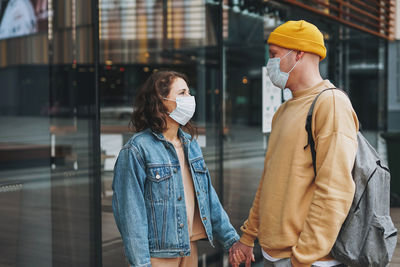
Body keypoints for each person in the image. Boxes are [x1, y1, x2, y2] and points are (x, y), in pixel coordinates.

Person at [229, 20, 359, 267]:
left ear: (298, 53)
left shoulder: (330, 104)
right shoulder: (284, 110)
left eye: (274, 55)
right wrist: (248, 237)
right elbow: (268, 182)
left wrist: (303, 258)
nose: (270, 64)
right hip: (275, 254)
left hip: (305, 260)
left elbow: (336, 190)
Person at [112, 70, 239, 267]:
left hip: (189, 248)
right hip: (157, 255)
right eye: (182, 93)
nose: (189, 99)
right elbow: (131, 215)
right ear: (161, 101)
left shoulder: (191, 144)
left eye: (189, 92)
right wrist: (141, 264)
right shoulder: (137, 149)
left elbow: (208, 196)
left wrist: (231, 240)